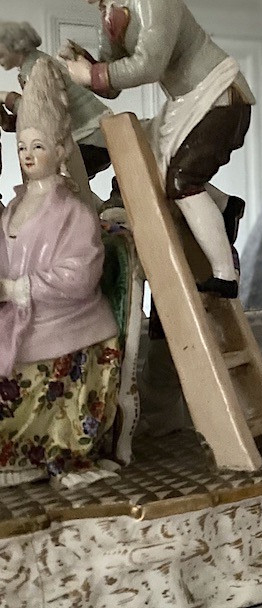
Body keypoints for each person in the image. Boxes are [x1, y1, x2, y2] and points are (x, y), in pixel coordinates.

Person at [51, 0, 249, 297]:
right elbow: (113, 80)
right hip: (189, 101)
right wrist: (87, 65)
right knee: (159, 168)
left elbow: (148, 66)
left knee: (180, 183)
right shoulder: (109, 10)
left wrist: (93, 74)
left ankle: (225, 276)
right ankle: (225, 206)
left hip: (218, 96)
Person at [0, 58, 120, 486]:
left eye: (38, 146)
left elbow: (80, 275)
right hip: (18, 323)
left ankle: (40, 455)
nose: (28, 156)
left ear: (61, 150)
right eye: (22, 148)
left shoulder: (73, 212)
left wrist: (20, 288)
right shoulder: (13, 208)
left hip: (68, 329)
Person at [0, 21, 112, 203]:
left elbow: (41, 111)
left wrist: (7, 97)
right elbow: (41, 120)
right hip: (89, 136)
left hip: (90, 137)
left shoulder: (38, 67)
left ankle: (88, 213)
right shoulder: (31, 66)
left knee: (51, 181)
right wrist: (12, 122)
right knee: (61, 186)